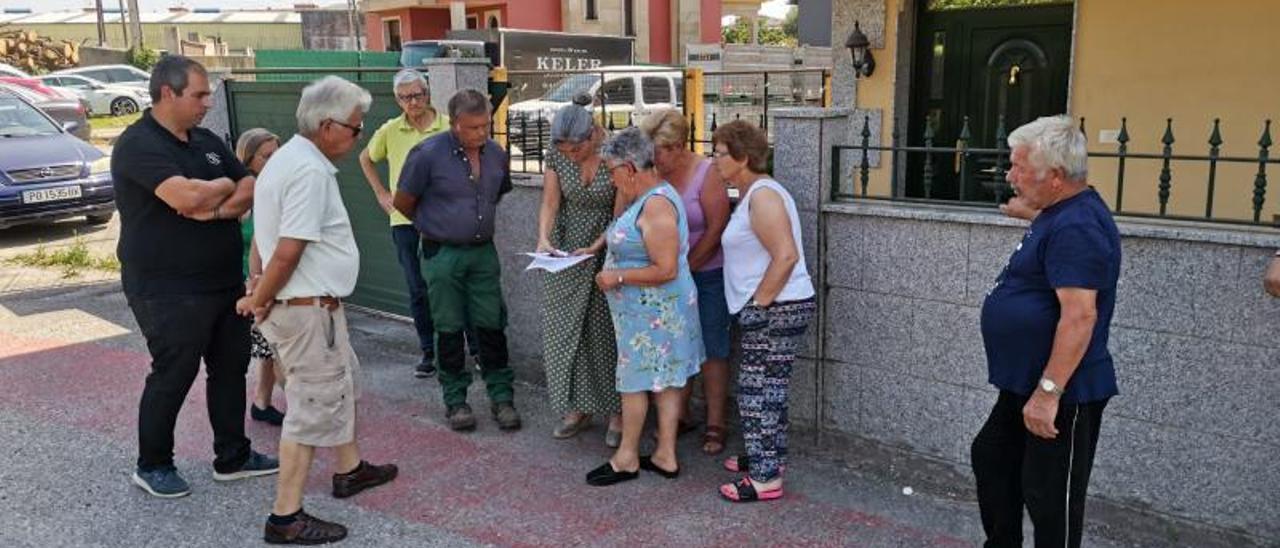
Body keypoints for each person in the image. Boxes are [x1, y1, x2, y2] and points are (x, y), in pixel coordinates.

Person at [238, 76, 398, 545]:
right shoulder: (307, 171)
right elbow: (287, 250)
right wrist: (260, 296)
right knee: (309, 410)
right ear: (327, 125)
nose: (359, 134)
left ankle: (349, 469)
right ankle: (285, 517)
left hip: (311, 307)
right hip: (306, 312)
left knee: (340, 383)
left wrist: (261, 292)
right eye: (355, 126)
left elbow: (272, 245)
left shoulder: (289, 159)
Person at [112, 55, 278, 499]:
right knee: (174, 372)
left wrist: (217, 204)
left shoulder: (204, 139)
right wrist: (217, 188)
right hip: (166, 287)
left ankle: (234, 456)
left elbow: (248, 186)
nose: (207, 102)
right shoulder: (138, 144)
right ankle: (153, 465)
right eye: (199, 94)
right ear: (168, 93)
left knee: (229, 369)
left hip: (222, 280)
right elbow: (184, 198)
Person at [973, 115, 1121, 548]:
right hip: (1026, 381)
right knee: (993, 459)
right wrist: (1029, 211)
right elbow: (1050, 217)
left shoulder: (1077, 227)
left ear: (1055, 178)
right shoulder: (1061, 211)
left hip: (1062, 391)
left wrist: (1049, 393)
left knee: (1050, 498)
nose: (1009, 175)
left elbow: (1080, 317)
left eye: (1020, 168)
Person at [394, 88, 522, 432]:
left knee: (492, 324)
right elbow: (403, 202)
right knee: (448, 327)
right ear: (454, 124)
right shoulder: (427, 155)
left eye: (485, 126)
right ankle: (456, 400)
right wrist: (433, 226)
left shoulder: (496, 154)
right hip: (442, 252)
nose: (481, 134)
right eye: (472, 127)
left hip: (483, 252)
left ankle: (501, 396)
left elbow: (497, 193)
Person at [585, 127, 703, 487]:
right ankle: (664, 454)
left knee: (634, 383)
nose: (609, 176)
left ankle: (627, 457)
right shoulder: (650, 195)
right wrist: (595, 250)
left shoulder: (655, 206)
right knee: (665, 380)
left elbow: (664, 268)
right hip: (653, 314)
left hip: (653, 316)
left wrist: (615, 278)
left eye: (611, 169)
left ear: (630, 168)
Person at [711, 120, 815, 503]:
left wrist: (759, 305)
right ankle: (767, 456)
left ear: (741, 157)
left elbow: (785, 255)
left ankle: (765, 477)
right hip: (776, 307)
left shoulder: (763, 196)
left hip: (776, 308)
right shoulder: (754, 192)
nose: (714, 161)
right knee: (769, 389)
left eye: (720, 153)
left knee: (756, 392)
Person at [640, 108, 732, 455]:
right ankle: (679, 415)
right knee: (675, 348)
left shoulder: (705, 173)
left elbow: (716, 226)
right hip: (668, 275)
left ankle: (716, 423)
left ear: (678, 146)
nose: (654, 159)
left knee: (711, 347)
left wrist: (688, 267)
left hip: (706, 274)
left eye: (660, 152)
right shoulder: (655, 174)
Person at [537, 95, 625, 445]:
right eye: (565, 150)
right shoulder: (557, 153)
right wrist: (543, 238)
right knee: (566, 330)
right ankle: (577, 406)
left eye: (576, 149)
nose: (570, 155)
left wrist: (599, 245)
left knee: (606, 333)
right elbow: (550, 201)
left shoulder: (617, 151)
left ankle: (617, 413)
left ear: (593, 135)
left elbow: (622, 213)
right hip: (567, 246)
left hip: (607, 244)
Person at [357, 69, 455, 379]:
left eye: (417, 95)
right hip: (404, 220)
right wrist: (381, 193)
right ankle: (429, 351)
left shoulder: (448, 127)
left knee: (450, 284)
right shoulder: (390, 130)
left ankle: (462, 350)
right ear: (398, 100)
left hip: (444, 219)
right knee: (417, 288)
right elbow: (365, 158)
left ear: (427, 94)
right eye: (405, 97)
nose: (412, 102)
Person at [235, 128, 285, 426]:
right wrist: (251, 283)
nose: (275, 160)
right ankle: (307, 410)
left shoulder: (277, 188)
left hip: (277, 280)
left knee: (268, 348)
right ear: (248, 159)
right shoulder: (243, 195)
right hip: (251, 283)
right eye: (267, 156)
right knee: (277, 349)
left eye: (278, 153)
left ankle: (262, 401)